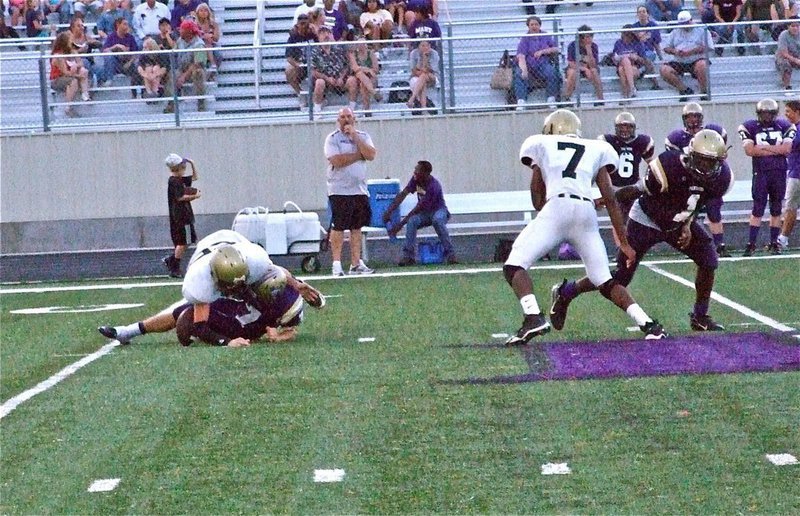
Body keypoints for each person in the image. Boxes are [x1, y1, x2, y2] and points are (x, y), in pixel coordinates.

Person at [503, 109, 666, 346]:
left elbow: (538, 201)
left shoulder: (540, 144)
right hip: (585, 211)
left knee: (514, 264)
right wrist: (623, 242)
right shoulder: (596, 148)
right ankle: (648, 324)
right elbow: (610, 198)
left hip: (557, 205)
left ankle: (533, 316)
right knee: (604, 279)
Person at [552, 129, 732, 334]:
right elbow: (636, 191)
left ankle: (700, 316)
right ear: (691, 156)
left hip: (677, 222)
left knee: (708, 259)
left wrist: (688, 224)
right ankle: (566, 292)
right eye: (702, 161)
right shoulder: (668, 166)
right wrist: (607, 200)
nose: (707, 167)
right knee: (620, 277)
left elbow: (697, 202)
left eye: (712, 162)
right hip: (646, 219)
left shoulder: (722, 178)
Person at [99, 229, 325, 346]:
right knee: (185, 312)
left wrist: (298, 285)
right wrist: (225, 342)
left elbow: (277, 273)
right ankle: (128, 331)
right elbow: (199, 325)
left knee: (187, 315)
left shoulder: (258, 265)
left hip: (245, 313)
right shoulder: (201, 280)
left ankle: (128, 331)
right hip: (210, 260)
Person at [666, 102, 733, 255]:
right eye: (690, 117)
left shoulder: (712, 133)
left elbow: (721, 155)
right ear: (684, 118)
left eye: (696, 116)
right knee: (687, 213)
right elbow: (676, 161)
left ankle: (719, 245)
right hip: (689, 181)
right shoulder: (677, 138)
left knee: (714, 211)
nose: (693, 120)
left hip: (710, 180)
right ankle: (689, 245)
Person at [738, 98, 795, 255]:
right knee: (758, 208)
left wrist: (762, 148)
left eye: (769, 113)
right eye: (763, 113)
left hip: (779, 172)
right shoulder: (750, 126)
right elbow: (750, 151)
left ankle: (773, 243)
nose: (766, 117)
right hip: (761, 172)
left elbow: (786, 149)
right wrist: (776, 149)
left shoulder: (784, 125)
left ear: (775, 114)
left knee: (776, 208)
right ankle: (751, 244)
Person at [325, 107, 377, 276]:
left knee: (356, 227)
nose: (346, 119)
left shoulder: (363, 136)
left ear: (354, 119)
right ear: (338, 120)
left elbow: (370, 154)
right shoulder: (332, 139)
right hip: (339, 190)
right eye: (342, 117)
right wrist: (357, 155)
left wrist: (355, 138)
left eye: (349, 116)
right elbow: (337, 160)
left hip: (359, 189)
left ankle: (356, 263)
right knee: (339, 226)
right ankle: (336, 264)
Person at [381, 160, 457, 266]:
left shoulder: (433, 186)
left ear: (425, 173)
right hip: (425, 213)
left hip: (439, 210)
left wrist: (400, 225)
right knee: (412, 221)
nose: (414, 173)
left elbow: (418, 208)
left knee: (437, 220)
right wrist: (388, 212)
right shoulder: (416, 180)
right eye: (415, 170)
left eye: (417, 170)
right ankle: (409, 257)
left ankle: (451, 255)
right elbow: (403, 194)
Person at [598, 112, 655, 243]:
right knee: (617, 219)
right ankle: (620, 249)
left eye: (628, 127)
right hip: (615, 187)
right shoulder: (608, 142)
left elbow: (652, 164)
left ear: (634, 128)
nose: (624, 130)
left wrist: (649, 181)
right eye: (621, 127)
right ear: (616, 128)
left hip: (633, 187)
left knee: (634, 218)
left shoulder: (642, 142)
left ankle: (632, 245)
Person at [660, 10, 714, 102]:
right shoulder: (675, 31)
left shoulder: (702, 30)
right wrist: (675, 51)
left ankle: (704, 92)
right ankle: (684, 90)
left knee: (702, 66)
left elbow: (709, 47)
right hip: (679, 60)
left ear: (691, 20)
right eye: (682, 23)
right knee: (664, 70)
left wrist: (691, 51)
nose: (684, 26)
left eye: (686, 23)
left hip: (696, 59)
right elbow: (665, 47)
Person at [162, 153, 200, 277]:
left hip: (183, 215)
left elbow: (194, 177)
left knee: (187, 241)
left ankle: (172, 260)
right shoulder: (174, 181)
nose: (184, 169)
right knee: (183, 242)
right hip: (182, 216)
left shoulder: (179, 180)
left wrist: (193, 164)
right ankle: (174, 266)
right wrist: (195, 196)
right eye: (183, 167)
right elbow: (180, 197)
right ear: (177, 168)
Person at [513, 16, 562, 110]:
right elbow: (521, 56)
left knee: (552, 72)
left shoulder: (545, 35)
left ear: (539, 25)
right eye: (532, 24)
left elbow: (555, 48)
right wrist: (524, 70)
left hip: (543, 64)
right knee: (519, 74)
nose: (534, 26)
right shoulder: (525, 38)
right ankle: (521, 101)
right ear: (528, 26)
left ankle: (551, 98)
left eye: (536, 24)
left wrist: (542, 51)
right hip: (528, 65)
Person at [163, 19, 208, 113]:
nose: (180, 31)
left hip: (195, 70)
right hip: (181, 68)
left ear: (189, 32)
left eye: (182, 29)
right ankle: (171, 104)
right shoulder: (180, 40)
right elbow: (174, 50)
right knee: (171, 75)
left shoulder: (199, 44)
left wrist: (184, 76)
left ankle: (201, 103)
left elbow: (197, 63)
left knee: (198, 73)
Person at [310, 25, 358, 113]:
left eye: (328, 32)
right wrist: (327, 78)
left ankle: (352, 109)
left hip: (340, 81)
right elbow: (313, 71)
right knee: (319, 82)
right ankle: (317, 110)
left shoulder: (339, 49)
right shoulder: (314, 51)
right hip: (326, 83)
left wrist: (341, 77)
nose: (326, 35)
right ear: (318, 36)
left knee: (352, 80)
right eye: (322, 33)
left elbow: (346, 65)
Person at [50, 31, 91, 118]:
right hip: (58, 79)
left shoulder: (72, 51)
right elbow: (65, 73)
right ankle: (68, 107)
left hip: (69, 75)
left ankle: (85, 94)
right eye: (70, 41)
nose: (72, 42)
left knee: (84, 71)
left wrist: (76, 65)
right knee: (73, 82)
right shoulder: (58, 56)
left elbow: (80, 63)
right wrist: (79, 76)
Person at [97, 17, 141, 97]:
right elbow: (104, 51)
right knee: (109, 56)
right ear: (118, 25)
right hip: (114, 64)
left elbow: (136, 53)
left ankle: (136, 91)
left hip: (127, 63)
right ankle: (109, 80)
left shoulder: (130, 37)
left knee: (137, 65)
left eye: (127, 24)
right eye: (124, 24)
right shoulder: (111, 37)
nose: (127, 26)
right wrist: (115, 46)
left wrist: (129, 62)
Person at [562, 25, 604, 105]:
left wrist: (589, 50)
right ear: (581, 38)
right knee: (572, 73)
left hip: (589, 67)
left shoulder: (594, 46)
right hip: (576, 67)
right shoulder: (572, 45)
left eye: (591, 36)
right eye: (587, 37)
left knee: (594, 71)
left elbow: (593, 65)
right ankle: (567, 98)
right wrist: (583, 69)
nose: (590, 39)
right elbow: (570, 63)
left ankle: (600, 99)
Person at [779, 98, 800, 249]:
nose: (785, 114)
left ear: (796, 112)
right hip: (794, 171)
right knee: (790, 206)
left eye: (788, 111)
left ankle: (783, 238)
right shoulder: (794, 128)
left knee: (790, 206)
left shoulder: (797, 130)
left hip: (797, 174)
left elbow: (788, 148)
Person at [285, 13, 318, 109]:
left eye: (306, 23)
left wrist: (316, 31)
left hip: (315, 63)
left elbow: (323, 48)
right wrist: (297, 64)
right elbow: (289, 57)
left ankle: (320, 97)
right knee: (289, 71)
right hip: (300, 65)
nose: (304, 26)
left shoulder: (313, 35)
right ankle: (301, 94)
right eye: (301, 23)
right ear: (298, 24)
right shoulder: (293, 37)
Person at [612, 25, 649, 102]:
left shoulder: (638, 44)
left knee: (623, 70)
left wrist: (636, 58)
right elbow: (614, 58)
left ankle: (625, 96)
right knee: (623, 65)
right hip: (622, 66)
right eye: (625, 34)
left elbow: (644, 61)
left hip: (636, 67)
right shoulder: (618, 43)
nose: (626, 37)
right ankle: (632, 89)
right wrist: (618, 58)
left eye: (628, 35)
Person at [348, 37, 380, 112]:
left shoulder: (371, 53)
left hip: (370, 78)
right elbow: (355, 68)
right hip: (357, 77)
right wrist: (367, 70)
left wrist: (365, 70)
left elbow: (376, 69)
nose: (361, 46)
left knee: (363, 84)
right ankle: (373, 93)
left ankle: (366, 110)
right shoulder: (353, 54)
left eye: (363, 44)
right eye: (359, 44)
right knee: (359, 73)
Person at [407, 39, 438, 112]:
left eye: (427, 45)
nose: (426, 47)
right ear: (418, 47)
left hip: (432, 76)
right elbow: (414, 70)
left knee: (424, 76)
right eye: (423, 45)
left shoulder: (434, 53)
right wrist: (422, 71)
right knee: (423, 81)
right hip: (419, 76)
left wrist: (425, 58)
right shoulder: (414, 53)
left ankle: (412, 98)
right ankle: (424, 109)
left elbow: (431, 70)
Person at [775, 17, 800, 93]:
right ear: (788, 27)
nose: (795, 28)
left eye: (797, 26)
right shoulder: (783, 35)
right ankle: (787, 88)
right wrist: (796, 60)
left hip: (797, 55)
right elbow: (784, 53)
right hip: (784, 56)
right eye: (792, 26)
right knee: (785, 64)